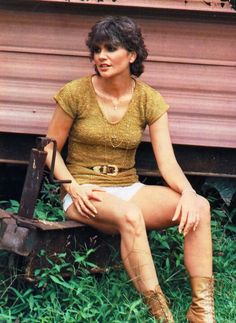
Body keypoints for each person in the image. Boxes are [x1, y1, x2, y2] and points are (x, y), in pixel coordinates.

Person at [45, 16, 215, 322]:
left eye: (111, 48)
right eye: (97, 50)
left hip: (129, 188)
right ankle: (162, 315)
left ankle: (202, 312)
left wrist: (189, 193)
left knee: (200, 207)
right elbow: (49, 147)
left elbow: (167, 162)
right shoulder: (75, 93)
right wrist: (71, 185)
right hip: (84, 190)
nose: (101, 56)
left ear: (132, 55)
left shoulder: (149, 99)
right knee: (130, 216)